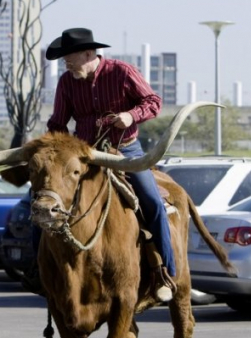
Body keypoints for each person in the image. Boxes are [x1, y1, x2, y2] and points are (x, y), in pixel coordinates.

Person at [22, 27, 174, 296]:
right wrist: (50, 151)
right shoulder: (67, 82)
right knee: (39, 202)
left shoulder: (122, 72)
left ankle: (165, 274)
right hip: (84, 156)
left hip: (125, 152)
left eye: (70, 57)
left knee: (152, 201)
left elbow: (153, 101)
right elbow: (58, 123)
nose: (66, 63)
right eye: (64, 59)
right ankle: (39, 271)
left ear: (89, 53)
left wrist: (131, 115)